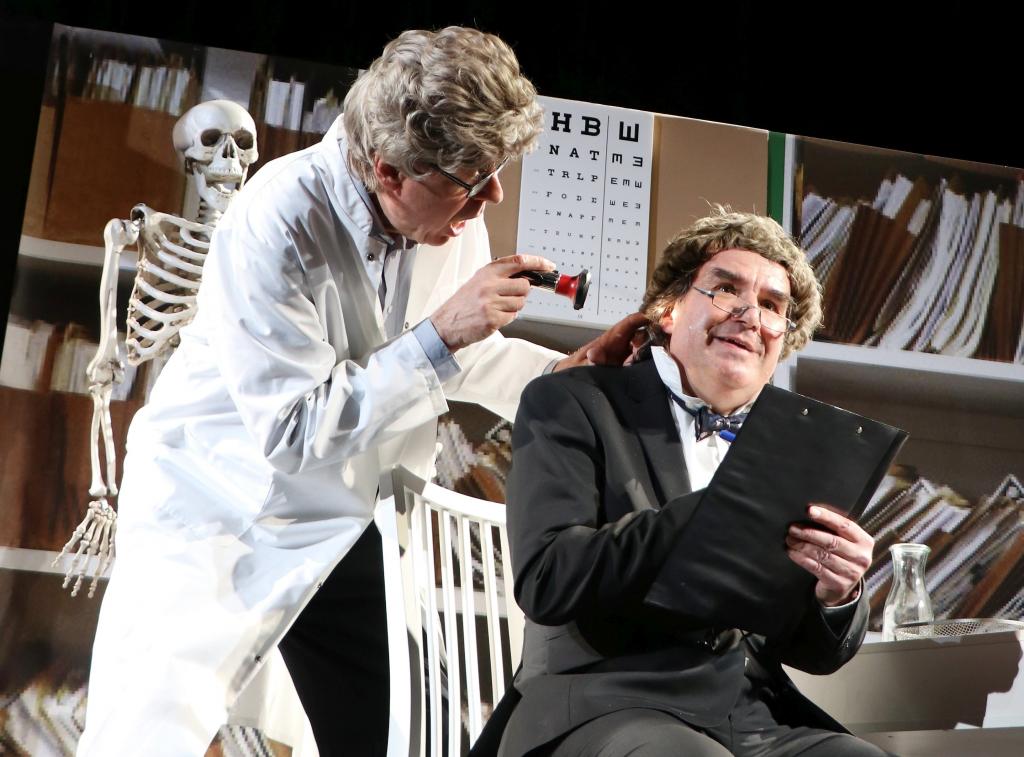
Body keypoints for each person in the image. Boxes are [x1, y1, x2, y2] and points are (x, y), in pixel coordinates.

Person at [77, 26, 643, 757]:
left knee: (409, 735)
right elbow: (293, 431)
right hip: (222, 507)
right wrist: (443, 331)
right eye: (473, 181)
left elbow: (463, 355)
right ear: (389, 171)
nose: (492, 196)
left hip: (343, 521)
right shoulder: (277, 221)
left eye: (495, 172)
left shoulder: (447, 213)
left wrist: (568, 375)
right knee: (147, 735)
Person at [496, 208, 885, 757]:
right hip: (605, 703)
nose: (749, 316)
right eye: (726, 289)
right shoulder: (572, 401)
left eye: (772, 306)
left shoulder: (795, 451)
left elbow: (815, 655)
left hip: (749, 717)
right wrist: (708, 515)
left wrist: (837, 592)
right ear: (669, 309)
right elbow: (548, 579)